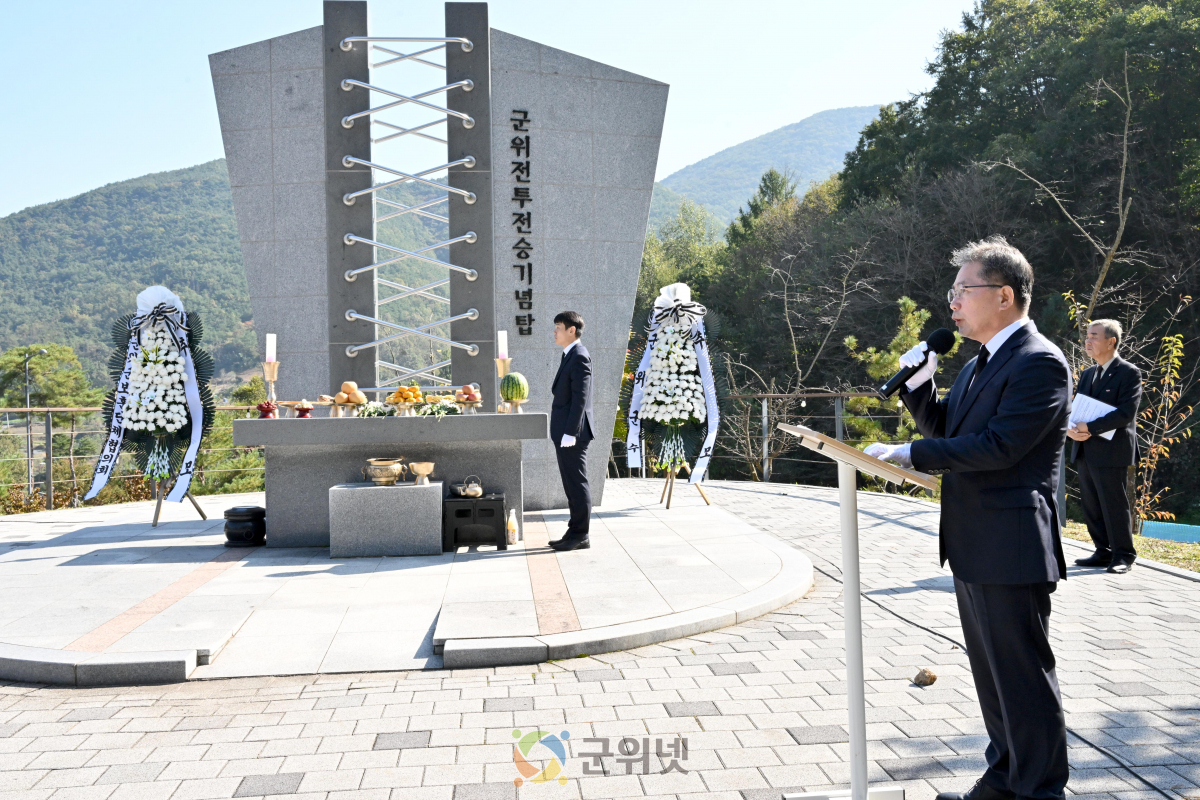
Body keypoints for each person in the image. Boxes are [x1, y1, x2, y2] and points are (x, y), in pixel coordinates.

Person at [866, 236, 1071, 800]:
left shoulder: (1039, 362)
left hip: (1011, 543)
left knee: (1023, 680)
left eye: (964, 289)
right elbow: (950, 432)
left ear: (1004, 295)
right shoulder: (984, 361)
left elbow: (999, 447)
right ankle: (1004, 780)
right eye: (952, 291)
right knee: (994, 679)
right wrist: (918, 387)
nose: (952, 302)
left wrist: (911, 452)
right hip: (975, 541)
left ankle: (1040, 791)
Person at [1068, 319, 1142, 574]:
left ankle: (1124, 555)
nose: (1087, 341)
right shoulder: (1088, 373)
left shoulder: (1129, 372)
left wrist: (1089, 427)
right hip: (1085, 448)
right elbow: (1078, 408)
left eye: (1094, 336)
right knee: (1092, 505)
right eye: (1087, 336)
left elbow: (1125, 413)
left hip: (1112, 451)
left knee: (1114, 504)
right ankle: (1103, 551)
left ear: (1111, 342)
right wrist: (1071, 429)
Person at [548, 311, 596, 551]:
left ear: (571, 330)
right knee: (570, 484)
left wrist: (571, 432)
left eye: (558, 327)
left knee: (577, 484)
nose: (554, 332)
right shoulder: (569, 354)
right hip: (564, 433)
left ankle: (581, 534)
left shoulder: (579, 356)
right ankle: (574, 530)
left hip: (572, 434)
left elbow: (580, 398)